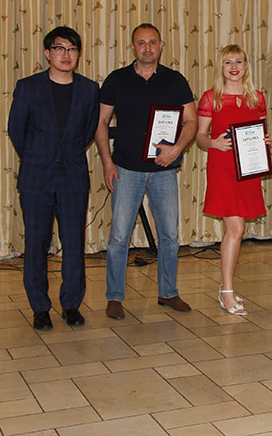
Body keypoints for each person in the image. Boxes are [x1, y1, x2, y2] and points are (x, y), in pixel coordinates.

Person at [95, 23, 197, 320]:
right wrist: (107, 162)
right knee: (119, 237)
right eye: (141, 43)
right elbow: (101, 123)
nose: (148, 48)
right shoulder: (116, 80)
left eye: (153, 42)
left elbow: (191, 121)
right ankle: (114, 297)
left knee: (169, 236)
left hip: (164, 170)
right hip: (125, 169)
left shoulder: (175, 80)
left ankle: (168, 292)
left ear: (161, 46)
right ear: (133, 47)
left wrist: (176, 149)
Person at [8, 26, 100, 331]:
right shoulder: (28, 87)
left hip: (73, 176)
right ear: (48, 54)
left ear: (78, 54)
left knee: (73, 242)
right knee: (37, 243)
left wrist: (65, 154)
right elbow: (16, 130)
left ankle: (71, 304)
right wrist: (39, 156)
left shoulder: (89, 90)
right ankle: (40, 307)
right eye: (60, 48)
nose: (66, 55)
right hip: (36, 176)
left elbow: (88, 131)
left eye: (72, 49)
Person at [196, 45, 269, 316]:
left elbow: (259, 131)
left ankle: (226, 288)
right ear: (221, 67)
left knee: (236, 230)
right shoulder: (211, 98)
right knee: (236, 229)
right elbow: (200, 136)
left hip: (247, 170)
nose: (234, 67)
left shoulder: (257, 98)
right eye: (228, 62)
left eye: (239, 61)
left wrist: (264, 142)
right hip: (222, 168)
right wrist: (213, 142)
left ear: (246, 66)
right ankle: (226, 291)